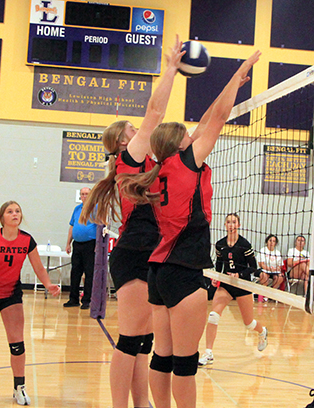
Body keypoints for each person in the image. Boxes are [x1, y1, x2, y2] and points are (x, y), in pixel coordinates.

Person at [118, 51, 261, 408]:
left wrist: (232, 85)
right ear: (181, 144)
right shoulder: (187, 164)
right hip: (184, 273)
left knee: (162, 358)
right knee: (184, 365)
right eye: (187, 135)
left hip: (159, 271)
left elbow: (212, 117)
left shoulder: (162, 169)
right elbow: (219, 118)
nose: (192, 136)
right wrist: (239, 71)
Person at [80, 36, 184, 408]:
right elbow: (155, 112)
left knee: (144, 342)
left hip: (149, 251)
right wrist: (170, 69)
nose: (137, 132)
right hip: (136, 252)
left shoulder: (143, 163)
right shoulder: (132, 158)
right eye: (132, 130)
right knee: (130, 340)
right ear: (124, 140)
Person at [0, 201, 60, 405]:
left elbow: (39, 268)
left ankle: (19, 388)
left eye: (18, 211)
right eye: (10, 211)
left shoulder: (27, 240)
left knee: (17, 343)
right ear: (2, 217)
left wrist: (48, 285)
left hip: (10, 293)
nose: (15, 214)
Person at [198, 213, 268, 367]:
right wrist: (216, 276)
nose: (231, 225)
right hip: (226, 285)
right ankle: (208, 353)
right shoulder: (220, 244)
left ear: (238, 225)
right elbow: (219, 264)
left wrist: (239, 274)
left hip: (242, 285)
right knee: (213, 316)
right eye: (228, 222)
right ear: (225, 225)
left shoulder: (244, 245)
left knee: (249, 323)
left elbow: (253, 267)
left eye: (234, 222)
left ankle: (262, 331)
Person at [63, 187, 97, 309]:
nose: (84, 196)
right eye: (82, 194)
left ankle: (87, 300)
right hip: (77, 244)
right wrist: (68, 243)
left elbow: (100, 227)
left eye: (87, 194)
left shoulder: (96, 208)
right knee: (75, 272)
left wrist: (99, 245)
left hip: (90, 244)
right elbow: (72, 227)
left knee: (89, 273)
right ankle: (73, 299)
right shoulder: (77, 209)